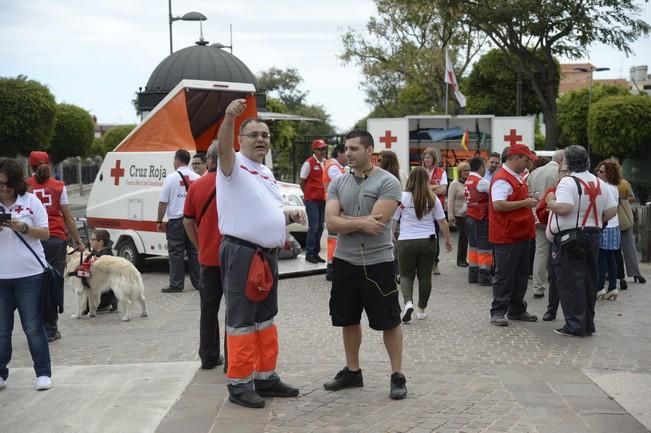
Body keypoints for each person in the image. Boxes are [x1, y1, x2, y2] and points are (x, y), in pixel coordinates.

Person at [216, 99, 304, 409]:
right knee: (241, 319)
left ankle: (266, 377)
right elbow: (223, 145)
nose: (261, 139)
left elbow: (265, 210)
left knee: (265, 318)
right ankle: (239, 384)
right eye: (253, 135)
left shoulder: (264, 171)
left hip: (265, 255)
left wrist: (287, 217)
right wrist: (229, 117)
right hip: (242, 254)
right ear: (240, 140)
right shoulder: (233, 164)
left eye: (265, 134)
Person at [324, 129, 407, 400]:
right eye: (346, 148)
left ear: (370, 150)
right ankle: (352, 371)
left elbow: (377, 225)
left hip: (378, 262)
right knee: (347, 319)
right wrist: (357, 222)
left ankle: (397, 375)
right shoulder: (337, 183)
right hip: (345, 262)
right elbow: (330, 224)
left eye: (354, 148)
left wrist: (346, 220)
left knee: (389, 321)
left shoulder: (389, 182)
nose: (348, 153)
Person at [545, 145, 617, 336]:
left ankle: (575, 325)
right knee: (589, 279)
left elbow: (565, 207)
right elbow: (611, 210)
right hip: (593, 235)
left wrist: (550, 202)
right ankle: (587, 324)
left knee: (570, 281)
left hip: (571, 237)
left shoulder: (568, 182)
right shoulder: (599, 182)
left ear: (567, 162)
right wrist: (596, 221)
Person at [0, 159, 53, 391]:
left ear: (17, 182)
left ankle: (43, 372)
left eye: (8, 184)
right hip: (1, 277)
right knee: (2, 330)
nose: (3, 188)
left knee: (32, 326)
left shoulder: (31, 202)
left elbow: (46, 233)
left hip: (29, 275)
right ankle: (1, 373)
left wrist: (23, 228)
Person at [26, 151, 85, 342]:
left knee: (32, 284)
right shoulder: (59, 186)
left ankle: (35, 327)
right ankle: (51, 328)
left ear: (30, 166)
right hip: (55, 240)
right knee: (52, 283)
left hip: (31, 239)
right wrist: (78, 240)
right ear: (49, 165)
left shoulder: (25, 186)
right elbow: (68, 217)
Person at [183, 143, 224, 370]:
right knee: (235, 311)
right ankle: (235, 358)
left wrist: (200, 245)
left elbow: (187, 220)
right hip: (234, 258)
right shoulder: (234, 184)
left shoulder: (196, 187)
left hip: (208, 258)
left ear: (209, 160)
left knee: (208, 310)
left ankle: (208, 356)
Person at [488, 144, 539, 326]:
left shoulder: (515, 177)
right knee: (505, 275)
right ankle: (498, 311)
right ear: (515, 157)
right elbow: (498, 205)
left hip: (520, 234)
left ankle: (517, 309)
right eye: (526, 160)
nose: (528, 164)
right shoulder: (503, 178)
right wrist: (524, 203)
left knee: (521, 274)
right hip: (507, 235)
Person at [394, 167, 452, 322]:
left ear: (410, 179)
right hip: (428, 241)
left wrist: (391, 240)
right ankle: (421, 310)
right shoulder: (432, 197)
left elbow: (394, 221)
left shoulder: (402, 197)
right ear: (427, 180)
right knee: (425, 276)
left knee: (406, 275)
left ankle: (408, 303)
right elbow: (442, 221)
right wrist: (448, 239)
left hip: (406, 241)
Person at [157, 149, 201, 293]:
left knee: (176, 253)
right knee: (194, 251)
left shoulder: (171, 178)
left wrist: (159, 220)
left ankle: (176, 284)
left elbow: (163, 202)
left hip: (176, 222)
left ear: (177, 160)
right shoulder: (197, 177)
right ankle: (199, 282)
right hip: (193, 221)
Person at [526, 150, 563, 298]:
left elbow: (527, 192)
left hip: (538, 217)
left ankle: (537, 287)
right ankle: (557, 284)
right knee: (558, 251)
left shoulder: (535, 172)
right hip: (555, 216)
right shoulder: (560, 173)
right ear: (561, 160)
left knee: (540, 252)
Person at [537, 162, 570, 321]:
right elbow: (541, 213)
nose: (564, 175)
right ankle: (552, 309)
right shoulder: (552, 191)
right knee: (554, 275)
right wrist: (549, 209)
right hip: (556, 239)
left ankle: (573, 312)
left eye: (567, 171)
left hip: (576, 239)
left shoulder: (578, 190)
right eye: (562, 172)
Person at [595, 160, 621, 300]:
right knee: (611, 257)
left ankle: (600, 287)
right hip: (614, 225)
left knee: (602, 258)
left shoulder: (604, 187)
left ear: (608, 173)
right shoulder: (614, 186)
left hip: (605, 225)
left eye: (601, 171)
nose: (598, 173)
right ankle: (612, 286)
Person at [465, 157, 493, 286]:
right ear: (481, 167)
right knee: (484, 249)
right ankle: (485, 276)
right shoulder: (481, 181)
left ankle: (473, 274)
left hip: (470, 217)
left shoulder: (468, 180)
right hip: (480, 218)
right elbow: (494, 191)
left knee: (473, 248)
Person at [300, 139, 328, 264]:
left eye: (323, 149)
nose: (322, 151)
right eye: (319, 149)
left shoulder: (325, 163)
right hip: (311, 199)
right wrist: (307, 193)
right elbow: (302, 181)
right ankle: (309, 253)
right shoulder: (308, 163)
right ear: (314, 150)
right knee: (314, 227)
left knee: (321, 227)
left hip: (322, 199)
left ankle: (315, 253)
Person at [323, 144, 347, 281]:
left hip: (335, 204)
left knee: (335, 237)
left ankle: (334, 266)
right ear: (339, 153)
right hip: (333, 205)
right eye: (346, 152)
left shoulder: (338, 167)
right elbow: (342, 183)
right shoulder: (332, 167)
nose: (348, 155)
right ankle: (331, 268)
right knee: (334, 237)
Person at [616, 175, 646, 285]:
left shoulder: (623, 184)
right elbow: (632, 198)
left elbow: (632, 197)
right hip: (619, 218)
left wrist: (621, 200)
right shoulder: (622, 183)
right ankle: (628, 274)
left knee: (625, 248)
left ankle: (632, 274)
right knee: (622, 249)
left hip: (620, 217)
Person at [422, 148, 447, 275]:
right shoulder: (419, 171)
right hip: (422, 208)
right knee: (421, 236)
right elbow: (415, 188)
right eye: (425, 157)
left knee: (434, 237)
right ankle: (422, 264)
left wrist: (426, 189)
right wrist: (435, 187)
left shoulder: (441, 172)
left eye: (429, 157)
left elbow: (443, 190)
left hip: (437, 208)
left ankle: (434, 263)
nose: (426, 160)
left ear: (434, 159)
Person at [83, 229, 118, 313]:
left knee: (86, 308)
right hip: (97, 288)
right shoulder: (94, 252)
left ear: (100, 242)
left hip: (104, 291)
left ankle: (107, 303)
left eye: (92, 239)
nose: (90, 241)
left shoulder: (107, 255)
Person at [447, 162, 469, 267]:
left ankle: (465, 258)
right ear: (460, 171)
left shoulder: (470, 182)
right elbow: (450, 200)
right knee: (463, 237)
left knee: (467, 237)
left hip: (469, 213)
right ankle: (460, 260)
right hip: (458, 214)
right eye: (465, 170)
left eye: (469, 170)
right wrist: (450, 216)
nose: (467, 172)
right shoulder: (455, 184)